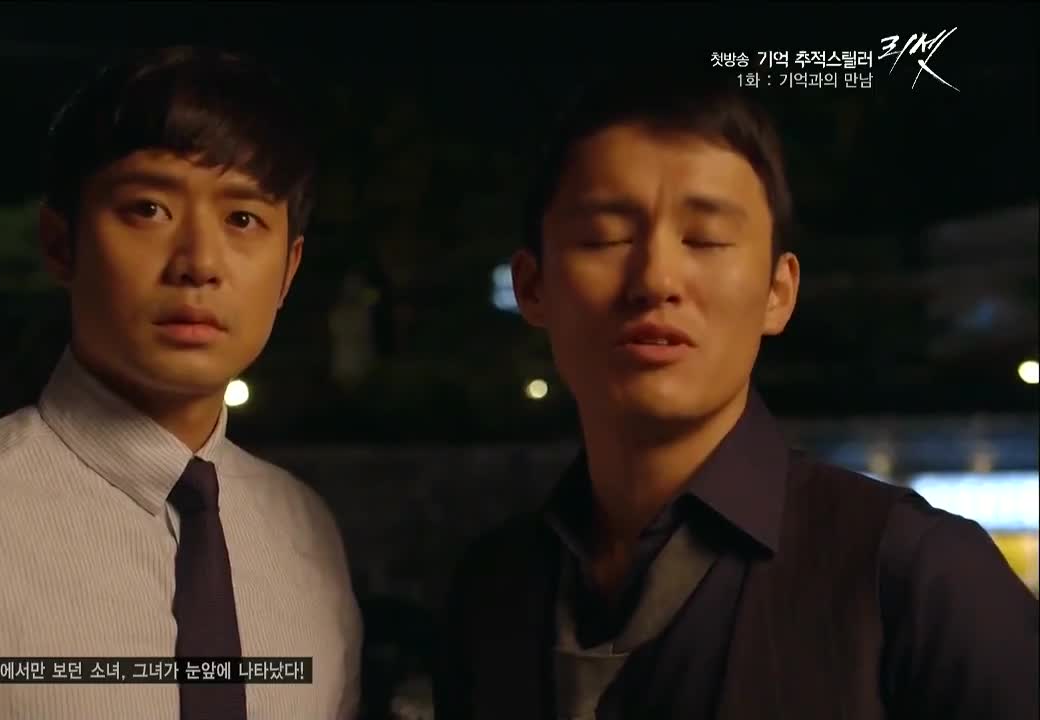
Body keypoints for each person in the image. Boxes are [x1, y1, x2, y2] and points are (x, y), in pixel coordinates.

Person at [0, 46, 361, 720]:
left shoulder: (305, 533)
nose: (199, 263)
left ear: (287, 271)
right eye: (148, 209)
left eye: (242, 219)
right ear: (60, 243)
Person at [435, 67, 1039, 720]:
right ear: (532, 287)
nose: (656, 279)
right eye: (605, 238)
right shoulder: (493, 590)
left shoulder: (915, 576)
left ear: (779, 291)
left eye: (706, 239)